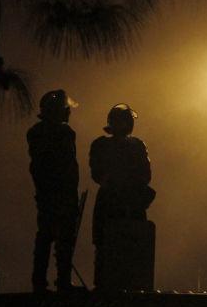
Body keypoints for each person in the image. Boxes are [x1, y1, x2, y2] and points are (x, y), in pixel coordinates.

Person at [90, 104, 154, 290]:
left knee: (131, 243)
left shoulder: (134, 145)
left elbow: (145, 175)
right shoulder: (103, 145)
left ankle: (128, 284)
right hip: (116, 201)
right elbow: (98, 174)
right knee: (106, 245)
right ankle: (105, 285)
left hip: (129, 200)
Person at [26, 90, 80, 293]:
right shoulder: (63, 133)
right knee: (61, 238)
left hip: (48, 193)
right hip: (59, 193)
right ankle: (61, 280)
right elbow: (65, 167)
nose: (68, 112)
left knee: (47, 236)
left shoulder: (36, 133)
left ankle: (40, 281)